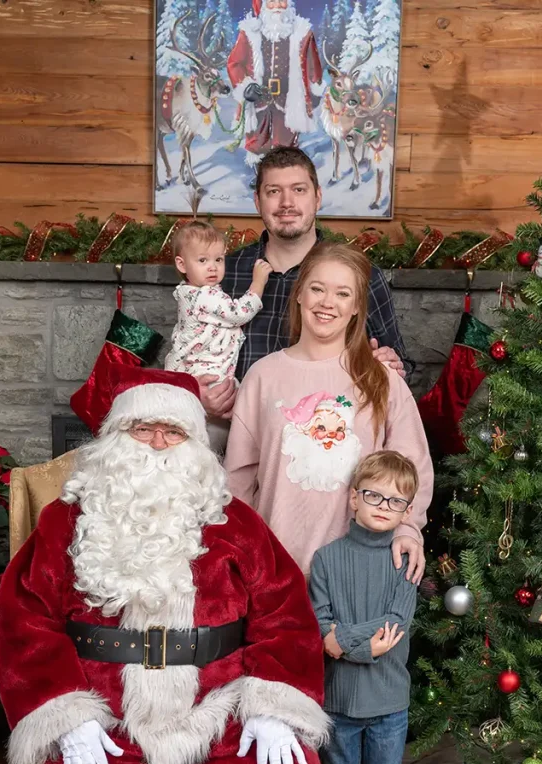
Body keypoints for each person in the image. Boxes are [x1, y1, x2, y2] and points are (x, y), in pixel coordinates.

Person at [0, 349, 328, 764]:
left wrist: (273, 703)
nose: (155, 443)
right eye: (140, 429)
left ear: (195, 445)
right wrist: (65, 714)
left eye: (171, 430)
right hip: (105, 711)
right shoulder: (67, 520)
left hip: (215, 702)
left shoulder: (233, 521)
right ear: (114, 438)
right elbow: (24, 620)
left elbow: (285, 611)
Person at [223, 241, 432, 582]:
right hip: (274, 569)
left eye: (342, 294)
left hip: (359, 569)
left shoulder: (381, 379)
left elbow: (414, 467)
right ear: (300, 295)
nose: (327, 303)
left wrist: (408, 528)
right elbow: (239, 480)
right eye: (317, 289)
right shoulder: (262, 376)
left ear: (356, 308)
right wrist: (240, 551)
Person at [198, 146, 413, 425]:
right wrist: (198, 393)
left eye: (299, 190)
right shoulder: (224, 274)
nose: (287, 203)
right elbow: (188, 348)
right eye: (274, 192)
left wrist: (393, 364)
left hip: (325, 432)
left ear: (318, 197)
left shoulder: (359, 275)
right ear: (257, 201)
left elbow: (404, 366)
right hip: (234, 425)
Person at [308, 451, 419, 764]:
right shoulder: (326, 559)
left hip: (389, 699)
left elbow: (395, 624)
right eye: (373, 494)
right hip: (339, 699)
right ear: (354, 498)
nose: (382, 505)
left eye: (395, 501)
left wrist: (341, 641)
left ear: (407, 511)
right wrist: (335, 640)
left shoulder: (404, 562)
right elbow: (318, 626)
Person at [165, 220, 272, 386]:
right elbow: (239, 313)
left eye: (219, 259)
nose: (212, 267)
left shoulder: (186, 291)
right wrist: (258, 282)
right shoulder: (205, 296)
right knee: (236, 395)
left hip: (194, 368)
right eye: (202, 260)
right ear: (182, 264)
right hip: (207, 371)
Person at [227, 0, 324, 168]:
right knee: (257, 139)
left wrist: (313, 92)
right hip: (257, 98)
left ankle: (281, 173)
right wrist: (245, 86)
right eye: (271, 2)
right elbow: (234, 63)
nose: (277, 6)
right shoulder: (249, 32)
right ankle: (260, 174)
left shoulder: (302, 32)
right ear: (263, 6)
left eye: (282, 1)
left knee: (286, 139)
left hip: (288, 98)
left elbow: (313, 65)